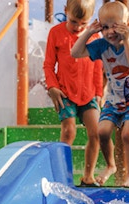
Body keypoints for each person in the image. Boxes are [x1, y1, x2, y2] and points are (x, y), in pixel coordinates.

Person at [71, 1, 129, 187]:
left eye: (116, 26)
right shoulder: (102, 45)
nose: (110, 32)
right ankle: (111, 166)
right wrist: (89, 32)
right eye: (105, 27)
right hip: (113, 101)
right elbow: (75, 52)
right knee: (102, 132)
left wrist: (127, 39)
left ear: (127, 25)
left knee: (128, 135)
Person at [43, 0, 104, 187]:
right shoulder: (56, 33)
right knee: (69, 131)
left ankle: (88, 177)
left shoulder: (94, 37)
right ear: (65, 12)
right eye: (74, 21)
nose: (78, 27)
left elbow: (98, 67)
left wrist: (99, 93)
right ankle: (63, 177)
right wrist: (52, 87)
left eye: (83, 24)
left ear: (90, 20)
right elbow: (48, 64)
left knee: (97, 133)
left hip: (88, 93)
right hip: (64, 92)